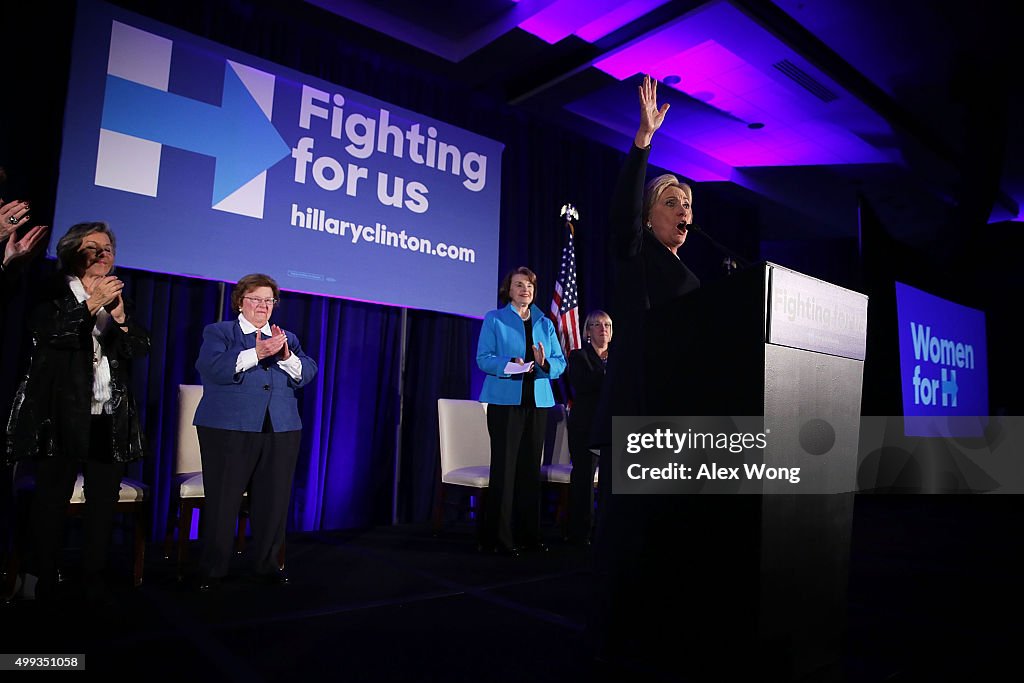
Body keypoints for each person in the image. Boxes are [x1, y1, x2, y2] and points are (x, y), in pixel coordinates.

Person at [587, 75, 705, 671]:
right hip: (637, 406)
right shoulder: (635, 254)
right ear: (649, 215)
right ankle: (610, 638)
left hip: (679, 414)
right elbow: (621, 212)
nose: (683, 210)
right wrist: (642, 143)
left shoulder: (689, 274)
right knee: (624, 534)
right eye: (671, 202)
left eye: (687, 204)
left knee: (666, 536)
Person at [6, 221, 150, 604]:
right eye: (93, 247)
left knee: (103, 501)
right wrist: (90, 304)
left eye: (108, 248)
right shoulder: (51, 294)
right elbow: (52, 337)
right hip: (60, 415)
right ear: (72, 253)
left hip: (107, 415)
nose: (104, 254)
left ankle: (92, 576)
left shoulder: (119, 298)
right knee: (50, 499)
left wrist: (118, 318)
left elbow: (138, 349)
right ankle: (38, 574)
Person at [192, 273, 317, 590]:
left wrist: (285, 355)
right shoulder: (221, 332)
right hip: (228, 427)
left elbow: (307, 373)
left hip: (281, 427)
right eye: (256, 299)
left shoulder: (285, 336)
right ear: (240, 301)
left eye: (269, 300)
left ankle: (265, 565)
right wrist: (257, 353)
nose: (263, 305)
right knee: (223, 500)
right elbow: (213, 368)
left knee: (273, 500)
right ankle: (214, 568)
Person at [476, 266, 566, 556]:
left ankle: (530, 536)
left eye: (528, 285)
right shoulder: (495, 319)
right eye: (518, 285)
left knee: (530, 471)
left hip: (537, 403)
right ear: (508, 290)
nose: (524, 290)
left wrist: (545, 363)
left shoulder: (545, 322)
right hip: (504, 404)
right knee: (504, 470)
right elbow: (483, 359)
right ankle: (498, 539)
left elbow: (560, 362)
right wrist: (509, 363)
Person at [565, 310, 612, 545]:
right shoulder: (578, 356)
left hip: (612, 428)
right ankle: (581, 533)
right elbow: (582, 385)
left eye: (607, 325)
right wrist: (610, 373)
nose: (603, 328)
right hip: (585, 426)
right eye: (597, 324)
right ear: (587, 332)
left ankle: (606, 530)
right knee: (583, 479)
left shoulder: (620, 357)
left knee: (611, 480)